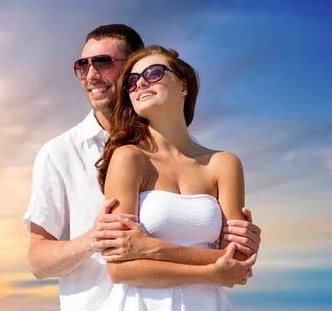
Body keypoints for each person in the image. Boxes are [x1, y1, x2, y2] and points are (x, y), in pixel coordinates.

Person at [23, 24, 262, 311]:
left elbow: (235, 262)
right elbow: (38, 261)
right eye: (82, 65)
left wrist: (239, 246)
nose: (91, 74)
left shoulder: (211, 160)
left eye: (103, 62)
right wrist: (93, 240)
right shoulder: (60, 153)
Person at [95, 44, 255, 310]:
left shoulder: (223, 163)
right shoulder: (128, 158)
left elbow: (236, 263)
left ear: (184, 86)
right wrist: (211, 271)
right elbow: (120, 270)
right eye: (132, 81)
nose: (141, 83)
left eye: (154, 72)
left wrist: (152, 249)